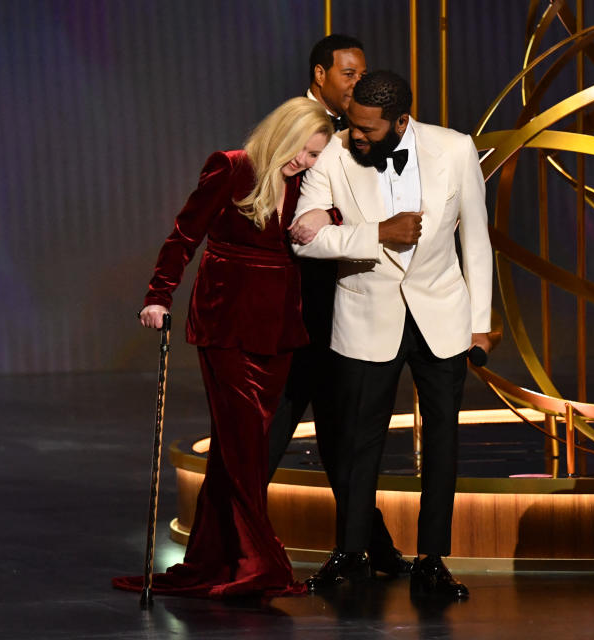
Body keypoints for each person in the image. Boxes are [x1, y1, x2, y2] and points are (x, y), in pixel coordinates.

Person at [112, 97, 334, 598]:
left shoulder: (312, 185)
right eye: (304, 148)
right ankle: (259, 561)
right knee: (241, 444)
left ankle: (217, 558)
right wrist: (157, 295)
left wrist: (327, 214)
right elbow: (184, 234)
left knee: (245, 444)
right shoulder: (234, 167)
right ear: (284, 132)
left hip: (278, 325)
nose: (306, 160)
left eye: (317, 154)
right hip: (226, 318)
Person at [288, 70, 494, 599]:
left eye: (367, 129)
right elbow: (305, 239)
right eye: (352, 124)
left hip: (442, 319)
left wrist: (480, 323)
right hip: (365, 316)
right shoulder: (333, 154)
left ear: (401, 120)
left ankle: (431, 560)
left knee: (443, 441)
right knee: (359, 443)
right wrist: (377, 232)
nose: (355, 136)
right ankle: (351, 554)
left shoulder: (454, 148)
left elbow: (476, 239)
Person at [267, 35, 412, 578]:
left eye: (362, 74)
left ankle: (369, 545)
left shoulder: (363, 136)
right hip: (299, 303)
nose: (358, 83)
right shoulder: (299, 128)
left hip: (343, 301)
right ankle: (232, 542)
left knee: (339, 432)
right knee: (283, 424)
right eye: (349, 74)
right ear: (321, 73)